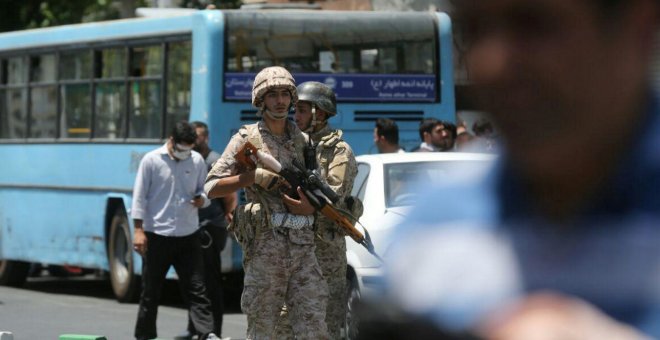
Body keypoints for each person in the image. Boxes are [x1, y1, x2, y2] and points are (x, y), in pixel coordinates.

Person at [382, 0, 660, 338]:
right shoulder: (430, 228)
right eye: (474, 30)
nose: (491, 64)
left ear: (638, 26)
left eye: (534, 24)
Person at [204, 66, 329, 339]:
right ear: (261, 100)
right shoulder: (247, 139)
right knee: (264, 329)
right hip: (266, 249)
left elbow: (316, 192)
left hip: (303, 249)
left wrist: (310, 206)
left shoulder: (304, 140)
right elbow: (211, 187)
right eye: (273, 95)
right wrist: (251, 177)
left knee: (314, 329)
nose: (280, 101)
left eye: (286, 94)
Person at [272, 81, 358, 339]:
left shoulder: (339, 151)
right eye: (295, 110)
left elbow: (334, 193)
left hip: (325, 252)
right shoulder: (292, 145)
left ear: (318, 114)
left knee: (324, 325)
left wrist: (309, 204)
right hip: (292, 247)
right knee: (284, 324)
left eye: (301, 110)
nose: (294, 116)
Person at [132, 121, 218, 340]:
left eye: (189, 148)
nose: (184, 153)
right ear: (171, 141)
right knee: (150, 291)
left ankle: (206, 333)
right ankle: (144, 335)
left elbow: (205, 190)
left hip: (188, 236)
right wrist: (138, 230)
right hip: (157, 235)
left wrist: (203, 200)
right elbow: (139, 197)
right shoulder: (151, 160)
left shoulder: (197, 160)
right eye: (181, 148)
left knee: (197, 289)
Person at [175, 121, 238, 340]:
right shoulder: (189, 160)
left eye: (200, 136)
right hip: (191, 227)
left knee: (210, 282)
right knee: (194, 282)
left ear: (207, 138)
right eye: (194, 135)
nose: (196, 139)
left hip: (210, 229)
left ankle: (214, 332)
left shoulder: (214, 161)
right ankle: (195, 329)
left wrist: (230, 216)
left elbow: (230, 195)